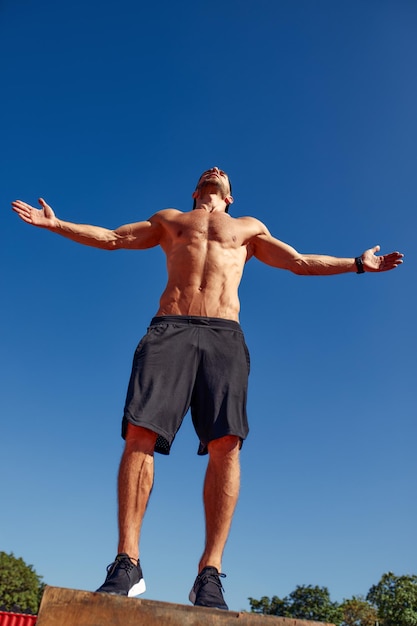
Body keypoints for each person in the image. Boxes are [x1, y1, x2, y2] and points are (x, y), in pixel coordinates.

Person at [11, 167, 403, 610]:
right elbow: (115, 238)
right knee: (140, 433)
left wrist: (356, 264)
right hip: (169, 328)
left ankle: (209, 573)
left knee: (226, 443)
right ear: (197, 190)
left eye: (222, 174)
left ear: (229, 197)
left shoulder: (248, 228)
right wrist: (57, 224)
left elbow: (297, 261)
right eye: (207, 173)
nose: (215, 170)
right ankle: (127, 562)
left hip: (223, 334)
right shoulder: (171, 219)